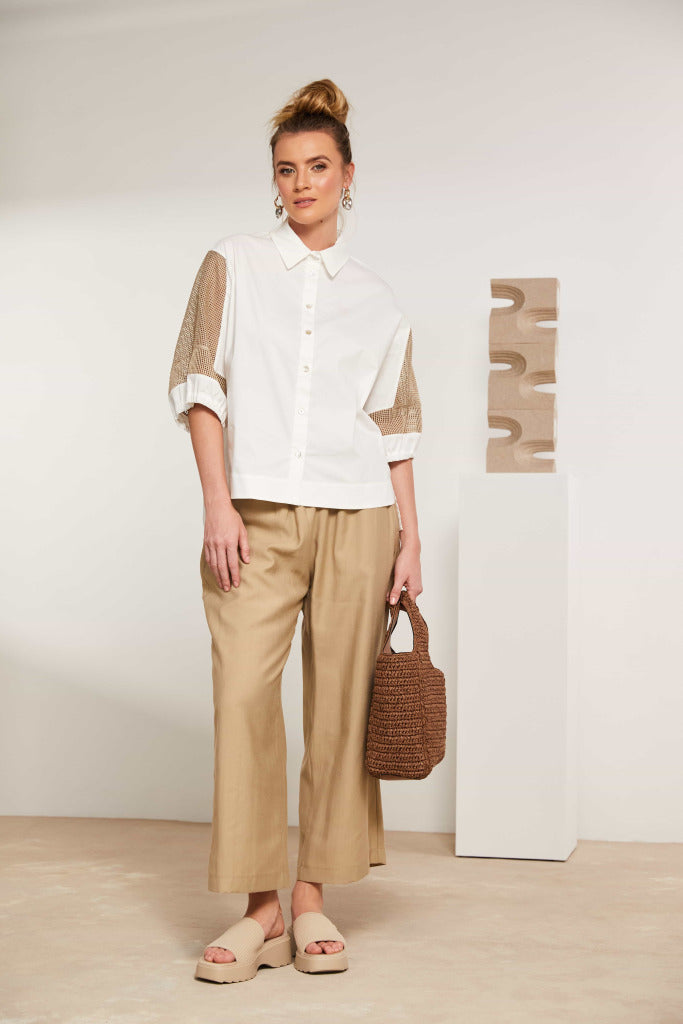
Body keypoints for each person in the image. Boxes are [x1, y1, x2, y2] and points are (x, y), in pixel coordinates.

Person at [167, 78, 423, 984]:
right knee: (243, 696)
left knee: (339, 711)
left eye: (318, 166)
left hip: (360, 515)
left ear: (348, 174)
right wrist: (217, 500)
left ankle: (311, 894)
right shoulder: (232, 263)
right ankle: (259, 910)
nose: (302, 183)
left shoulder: (378, 299)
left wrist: (411, 539)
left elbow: (394, 427)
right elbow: (199, 384)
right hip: (255, 513)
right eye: (286, 170)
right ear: (273, 182)